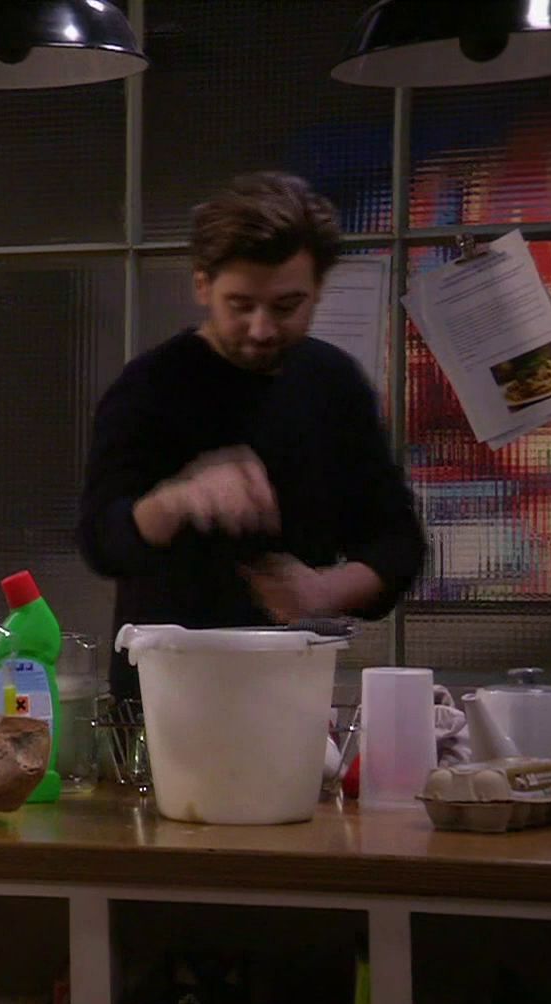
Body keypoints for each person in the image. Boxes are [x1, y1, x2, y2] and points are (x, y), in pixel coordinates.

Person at [78, 171, 426, 701]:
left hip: (293, 691)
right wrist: (174, 502)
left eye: (286, 306)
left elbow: (399, 543)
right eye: (241, 305)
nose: (262, 329)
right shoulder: (151, 386)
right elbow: (100, 542)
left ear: (318, 289)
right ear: (202, 285)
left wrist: (323, 590)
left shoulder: (334, 385)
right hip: (165, 697)